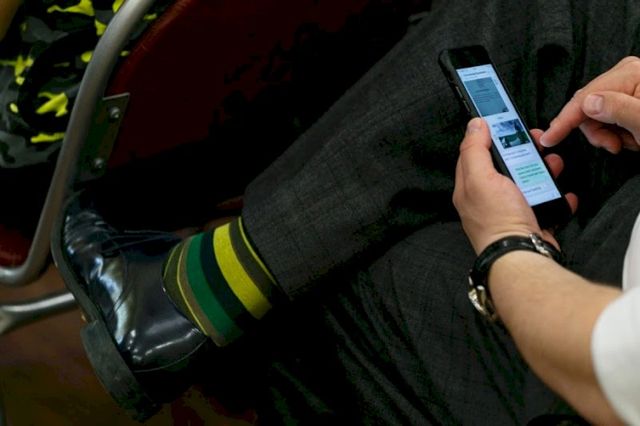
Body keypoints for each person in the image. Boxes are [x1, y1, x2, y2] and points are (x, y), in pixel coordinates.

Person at [52, 0, 640, 424]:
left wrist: (507, 242)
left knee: (340, 273)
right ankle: (217, 279)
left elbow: (611, 362)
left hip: (600, 362)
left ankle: (207, 292)